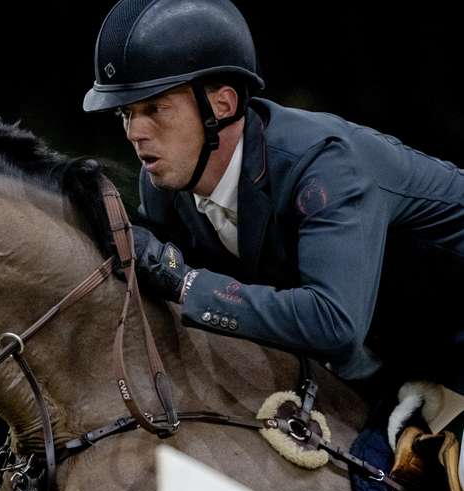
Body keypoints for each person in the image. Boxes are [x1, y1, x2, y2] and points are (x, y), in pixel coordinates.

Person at [83, 0, 464, 419]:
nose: (135, 133)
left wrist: (186, 283)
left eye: (155, 108)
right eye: (126, 113)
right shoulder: (164, 185)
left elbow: (332, 324)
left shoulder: (323, 166)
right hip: (389, 366)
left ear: (222, 105)